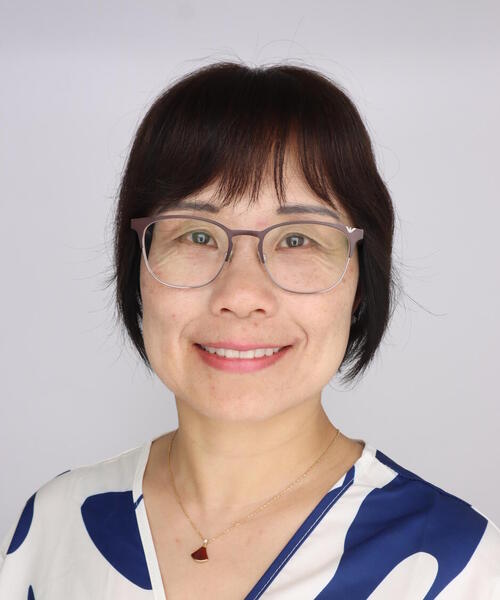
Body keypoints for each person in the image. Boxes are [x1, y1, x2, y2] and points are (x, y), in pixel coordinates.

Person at [1, 61, 499, 600]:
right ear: (138, 270)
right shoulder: (54, 529)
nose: (240, 295)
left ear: (360, 282)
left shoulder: (459, 567)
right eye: (197, 235)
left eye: (296, 239)